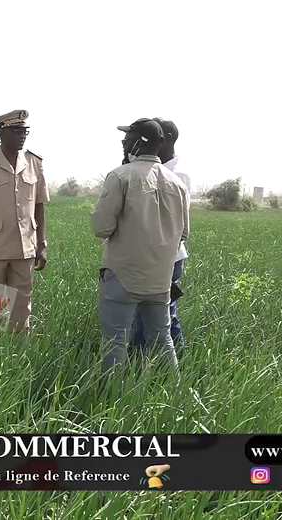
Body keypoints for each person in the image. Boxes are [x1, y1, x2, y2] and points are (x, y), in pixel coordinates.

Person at [91, 118, 189, 382]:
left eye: (126, 140)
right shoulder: (177, 183)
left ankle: (112, 399)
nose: (123, 145)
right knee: (163, 338)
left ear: (138, 142)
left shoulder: (120, 176)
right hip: (160, 280)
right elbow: (183, 233)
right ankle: (175, 391)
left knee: (115, 341)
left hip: (123, 276)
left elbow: (101, 227)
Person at [0, 109, 50, 333]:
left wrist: (42, 245)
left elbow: (39, 206)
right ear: (1, 132)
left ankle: (17, 354)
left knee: (22, 308)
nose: (22, 135)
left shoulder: (34, 163)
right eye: (16, 131)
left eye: (25, 131)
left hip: (25, 249)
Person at [130, 118, 190, 358]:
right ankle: (165, 361)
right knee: (162, 310)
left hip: (165, 257)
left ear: (163, 140)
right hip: (151, 255)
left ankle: (145, 363)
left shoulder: (178, 176)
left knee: (156, 311)